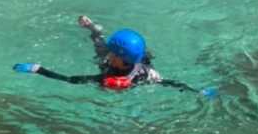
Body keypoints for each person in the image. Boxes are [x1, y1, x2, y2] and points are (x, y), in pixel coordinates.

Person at [14, 15, 216, 96]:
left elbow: (70, 80)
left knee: (101, 51)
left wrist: (38, 69)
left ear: (118, 58)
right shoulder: (135, 65)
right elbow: (170, 83)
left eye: (113, 52)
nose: (109, 53)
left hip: (128, 67)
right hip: (132, 59)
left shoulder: (132, 75)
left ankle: (95, 30)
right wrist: (196, 91)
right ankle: (92, 28)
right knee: (99, 44)